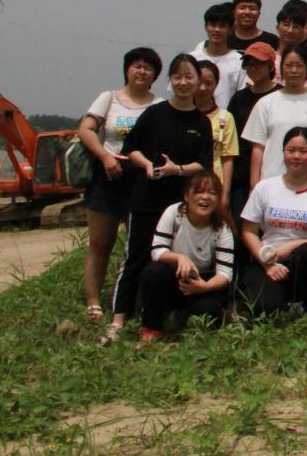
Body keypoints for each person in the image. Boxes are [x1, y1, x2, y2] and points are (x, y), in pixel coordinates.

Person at [107, 53, 213, 344]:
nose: (183, 82)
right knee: (137, 256)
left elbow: (204, 164)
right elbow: (130, 147)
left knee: (174, 256)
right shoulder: (155, 113)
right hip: (147, 197)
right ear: (170, 81)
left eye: (189, 77)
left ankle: (165, 311)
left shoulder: (202, 122)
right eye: (177, 76)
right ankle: (118, 318)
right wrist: (146, 166)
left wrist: (176, 170)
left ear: (199, 82)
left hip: (181, 202)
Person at [77, 47, 162, 325]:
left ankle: (136, 300)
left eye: (148, 68)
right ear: (127, 69)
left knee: (141, 245)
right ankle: (93, 301)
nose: (142, 71)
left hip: (142, 178)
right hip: (108, 174)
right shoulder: (108, 98)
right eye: (137, 66)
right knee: (100, 242)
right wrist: (105, 157)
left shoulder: (159, 105)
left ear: (155, 75)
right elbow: (86, 129)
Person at [240, 127, 307, 320]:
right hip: (268, 260)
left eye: (303, 151)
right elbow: (248, 231)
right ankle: (284, 303)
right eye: (291, 150)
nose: (296, 156)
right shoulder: (265, 187)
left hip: (303, 263)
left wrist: (292, 246)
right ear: (283, 153)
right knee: (264, 308)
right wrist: (267, 263)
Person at [138, 171, 234, 341]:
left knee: (209, 311)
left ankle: (184, 318)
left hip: (202, 281)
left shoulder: (222, 229)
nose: (205, 197)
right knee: (154, 272)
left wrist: (204, 287)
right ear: (187, 196)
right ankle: (152, 327)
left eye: (212, 193)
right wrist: (180, 258)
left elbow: (225, 274)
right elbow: (157, 251)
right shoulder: (173, 213)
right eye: (199, 191)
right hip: (173, 277)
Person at [242, 45, 307, 184]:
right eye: (289, 65)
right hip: (271, 179)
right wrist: (254, 184)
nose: (294, 70)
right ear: (280, 68)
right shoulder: (265, 103)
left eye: (299, 65)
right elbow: (258, 147)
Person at [224, 42, 278, 239]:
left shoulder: (280, 95)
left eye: (259, 64)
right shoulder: (238, 99)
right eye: (249, 64)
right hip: (242, 173)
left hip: (273, 171)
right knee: (241, 228)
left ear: (271, 66)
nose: (253, 68)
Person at [195, 60, 240, 188]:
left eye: (208, 83)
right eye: (199, 82)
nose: (202, 88)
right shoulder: (181, 114)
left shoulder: (225, 118)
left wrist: (225, 194)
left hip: (214, 185)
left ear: (216, 84)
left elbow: (228, 159)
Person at [192, 3, 243, 110]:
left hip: (227, 117)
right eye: (213, 25)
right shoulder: (192, 59)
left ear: (230, 29)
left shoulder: (239, 61)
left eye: (222, 26)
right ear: (206, 27)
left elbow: (242, 96)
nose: (217, 29)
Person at [269, 6, 307, 89]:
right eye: (286, 25)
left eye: (295, 26)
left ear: (302, 31)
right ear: (277, 27)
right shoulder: (266, 60)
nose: (290, 30)